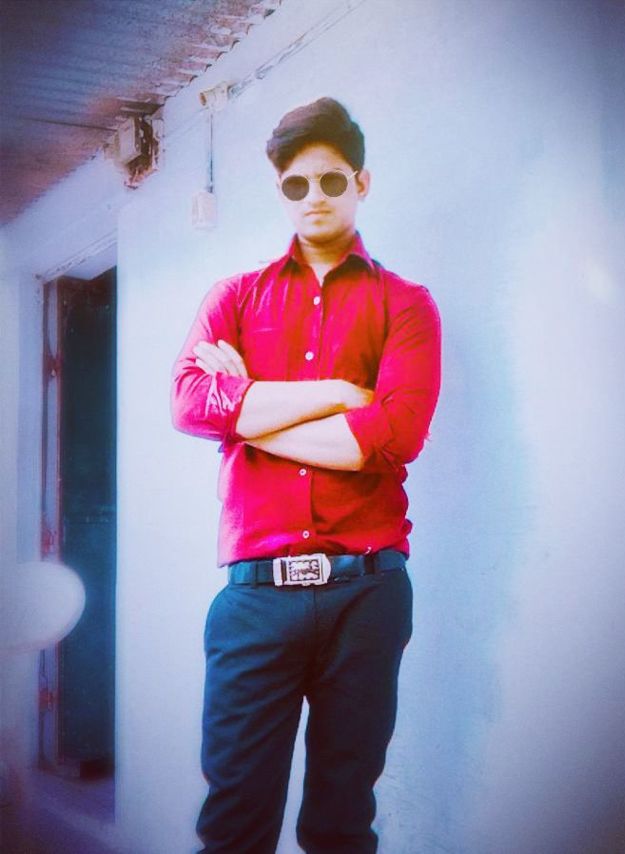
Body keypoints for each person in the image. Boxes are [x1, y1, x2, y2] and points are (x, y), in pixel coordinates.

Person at [171, 97, 441, 854]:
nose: (314, 197)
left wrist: (249, 411)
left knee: (341, 824)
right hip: (255, 600)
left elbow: (395, 435)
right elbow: (190, 402)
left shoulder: (405, 305)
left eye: (331, 180)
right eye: (296, 184)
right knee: (234, 824)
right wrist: (341, 395)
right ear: (280, 191)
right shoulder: (235, 298)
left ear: (362, 182)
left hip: (367, 594)